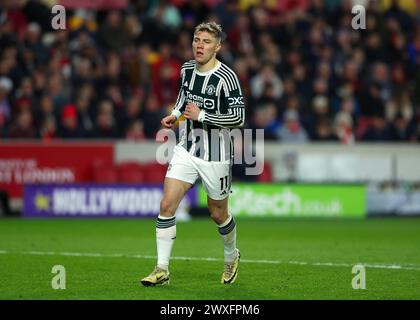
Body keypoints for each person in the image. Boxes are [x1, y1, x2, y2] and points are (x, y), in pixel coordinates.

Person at [141, 22, 245, 286]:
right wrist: (175, 115)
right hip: (187, 148)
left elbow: (239, 117)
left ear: (218, 47)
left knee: (218, 214)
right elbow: (183, 96)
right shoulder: (187, 68)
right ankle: (161, 269)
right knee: (166, 205)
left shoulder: (227, 78)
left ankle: (231, 255)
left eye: (207, 41)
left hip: (217, 155)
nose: (200, 45)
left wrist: (202, 115)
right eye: (197, 40)